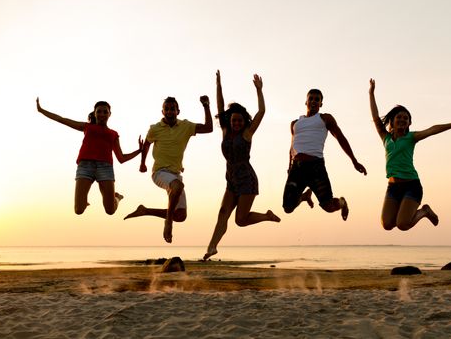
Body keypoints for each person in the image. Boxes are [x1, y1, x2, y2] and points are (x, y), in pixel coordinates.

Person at [368, 79, 451, 231]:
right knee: (387, 225)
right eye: (399, 117)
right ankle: (419, 211)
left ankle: (424, 211)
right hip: (393, 187)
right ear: (392, 121)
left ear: (409, 123)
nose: (402, 119)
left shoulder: (411, 137)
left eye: (406, 118)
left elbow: (433, 129)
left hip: (411, 185)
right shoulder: (385, 137)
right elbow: (376, 117)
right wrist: (371, 93)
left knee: (403, 224)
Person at [203, 71, 281, 260]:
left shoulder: (247, 133)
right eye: (233, 120)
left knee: (240, 220)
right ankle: (211, 247)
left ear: (243, 121)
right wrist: (218, 85)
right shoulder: (224, 131)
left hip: (247, 179)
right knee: (222, 213)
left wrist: (259, 90)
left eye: (239, 120)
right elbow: (220, 106)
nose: (236, 123)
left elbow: (261, 112)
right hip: (231, 179)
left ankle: (266, 216)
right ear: (230, 121)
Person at [124, 95, 213, 243]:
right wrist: (142, 163)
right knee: (177, 187)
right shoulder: (155, 129)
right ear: (162, 111)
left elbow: (208, 128)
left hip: (175, 174)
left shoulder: (186, 126)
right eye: (167, 109)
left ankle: (145, 210)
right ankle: (168, 223)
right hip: (159, 172)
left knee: (181, 215)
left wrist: (206, 106)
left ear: (178, 111)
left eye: (173, 109)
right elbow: (146, 144)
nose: (170, 111)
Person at [36, 98, 143, 215]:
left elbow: (121, 158)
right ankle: (84, 202)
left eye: (105, 112)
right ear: (94, 113)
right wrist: (41, 110)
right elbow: (61, 119)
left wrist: (139, 151)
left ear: (109, 114)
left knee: (110, 210)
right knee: (78, 210)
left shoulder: (113, 134)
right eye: (99, 111)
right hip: (85, 167)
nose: (102, 114)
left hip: (105, 168)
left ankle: (116, 197)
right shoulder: (87, 127)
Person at [282, 89, 367, 220]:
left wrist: (354, 160)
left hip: (315, 167)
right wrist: (289, 166)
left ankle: (342, 202)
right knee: (288, 207)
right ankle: (305, 196)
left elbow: (340, 138)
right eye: (311, 98)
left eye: (317, 99)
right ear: (306, 101)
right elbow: (292, 147)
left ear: (321, 104)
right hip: (297, 168)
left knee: (328, 206)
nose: (314, 101)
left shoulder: (325, 118)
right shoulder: (295, 123)